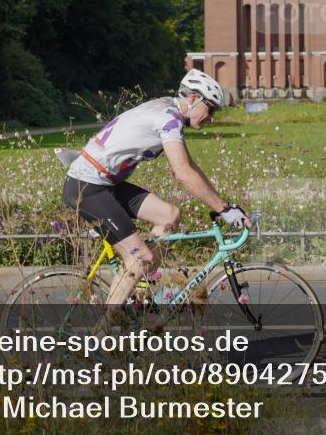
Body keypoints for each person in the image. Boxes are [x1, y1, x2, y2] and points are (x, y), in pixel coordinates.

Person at [63, 69, 252, 308]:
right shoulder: (168, 119)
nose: (212, 117)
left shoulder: (168, 110)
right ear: (193, 99)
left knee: (169, 215)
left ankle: (140, 294)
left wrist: (223, 203)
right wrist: (223, 210)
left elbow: (189, 167)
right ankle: (104, 333)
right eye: (211, 108)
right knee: (141, 257)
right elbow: (183, 175)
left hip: (105, 184)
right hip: (87, 187)